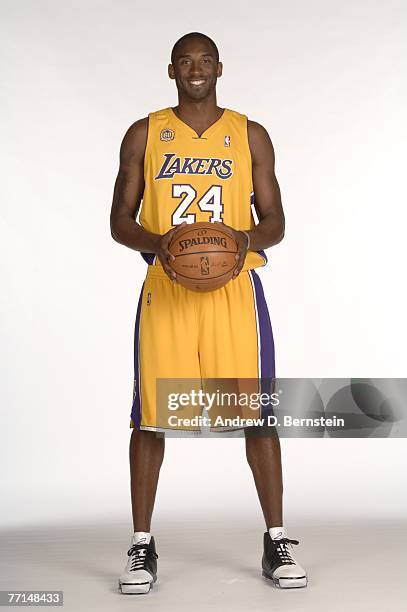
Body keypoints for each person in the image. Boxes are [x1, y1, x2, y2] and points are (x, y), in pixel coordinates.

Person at [110, 31, 308, 594]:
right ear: (170, 70)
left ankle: (276, 540)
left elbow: (275, 220)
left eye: (204, 61)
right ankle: (142, 545)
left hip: (234, 291)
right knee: (152, 415)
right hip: (166, 288)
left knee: (256, 413)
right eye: (185, 62)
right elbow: (119, 219)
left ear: (220, 67)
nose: (195, 69)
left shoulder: (250, 134)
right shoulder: (145, 133)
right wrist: (164, 242)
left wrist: (238, 244)